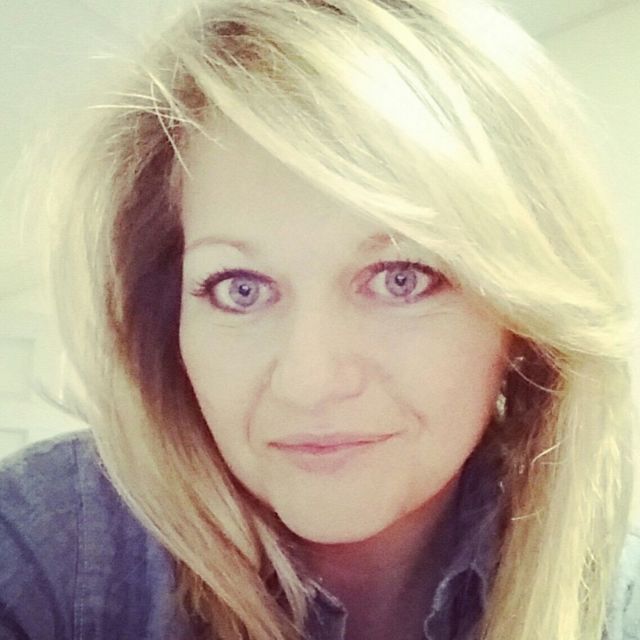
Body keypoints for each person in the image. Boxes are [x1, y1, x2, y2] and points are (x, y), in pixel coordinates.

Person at [0, 0, 638, 638]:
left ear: (521, 321)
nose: (309, 383)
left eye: (401, 278)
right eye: (241, 289)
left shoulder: (617, 600)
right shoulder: (47, 545)